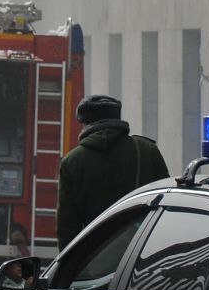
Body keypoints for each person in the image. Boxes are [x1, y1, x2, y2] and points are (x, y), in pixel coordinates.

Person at [56, 95, 170, 247]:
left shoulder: (72, 162)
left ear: (85, 123)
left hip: (95, 258)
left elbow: (67, 228)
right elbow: (166, 203)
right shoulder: (146, 151)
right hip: (141, 253)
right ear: (117, 118)